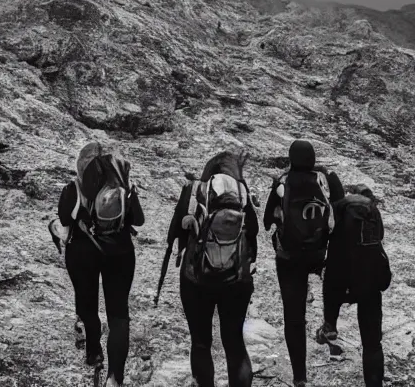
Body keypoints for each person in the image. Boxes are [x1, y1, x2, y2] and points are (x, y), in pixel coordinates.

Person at [56, 141, 145, 387]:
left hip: (83, 253)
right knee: (118, 316)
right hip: (121, 253)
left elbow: (63, 217)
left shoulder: (74, 188)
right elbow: (139, 219)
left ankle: (94, 350)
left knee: (88, 305)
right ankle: (115, 377)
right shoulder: (124, 188)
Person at [167, 150, 258, 387]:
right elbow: (254, 233)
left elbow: (175, 230)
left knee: (200, 342)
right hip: (236, 278)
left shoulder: (194, 190)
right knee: (234, 341)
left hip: (197, 278)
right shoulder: (241, 192)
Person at [262, 140, 344, 387]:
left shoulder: (282, 182)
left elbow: (267, 221)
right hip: (320, 254)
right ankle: (329, 323)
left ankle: (300, 378)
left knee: (294, 317)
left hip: (289, 258)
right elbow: (340, 209)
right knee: (330, 279)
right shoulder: (325, 180)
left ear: (290, 159)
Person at [317, 184, 391, 387]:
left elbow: (324, 234)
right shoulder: (372, 210)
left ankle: (329, 323)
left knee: (330, 285)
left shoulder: (339, 207)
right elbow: (381, 237)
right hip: (370, 279)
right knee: (372, 344)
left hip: (339, 276)